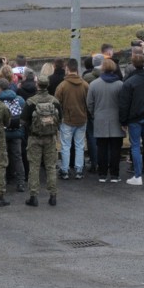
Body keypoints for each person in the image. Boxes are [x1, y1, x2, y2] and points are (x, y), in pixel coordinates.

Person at [117, 52, 144, 186]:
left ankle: (138, 175)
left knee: (135, 146)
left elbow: (124, 104)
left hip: (134, 118)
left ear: (133, 64)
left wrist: (123, 121)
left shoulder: (129, 82)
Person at [22, 77, 61, 207]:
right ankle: (53, 195)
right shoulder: (54, 101)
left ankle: (33, 196)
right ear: (47, 85)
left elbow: (23, 120)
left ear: (37, 85)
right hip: (50, 137)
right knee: (51, 166)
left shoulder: (31, 102)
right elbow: (60, 119)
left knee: (34, 166)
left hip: (34, 138)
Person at [87, 59, 125, 182]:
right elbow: (123, 104)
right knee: (116, 149)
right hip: (116, 120)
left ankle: (102, 174)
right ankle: (114, 174)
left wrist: (95, 114)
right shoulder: (120, 85)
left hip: (100, 119)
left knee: (101, 148)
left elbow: (89, 103)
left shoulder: (94, 84)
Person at [53, 59, 88, 180]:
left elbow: (56, 103)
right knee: (79, 145)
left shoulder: (62, 86)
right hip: (81, 119)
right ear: (77, 69)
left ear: (67, 69)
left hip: (67, 120)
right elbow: (89, 102)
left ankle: (65, 170)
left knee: (65, 146)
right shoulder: (85, 85)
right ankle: (79, 169)